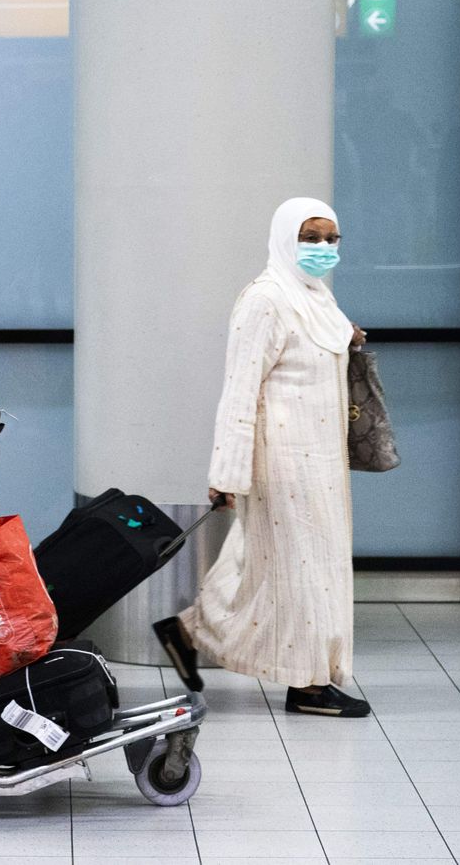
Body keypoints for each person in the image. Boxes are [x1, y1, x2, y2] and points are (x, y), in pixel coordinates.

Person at [154, 197, 371, 718]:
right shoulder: (266, 299)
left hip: (321, 461)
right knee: (304, 571)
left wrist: (350, 339)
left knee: (265, 562)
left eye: (330, 239)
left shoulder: (314, 296)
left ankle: (187, 633)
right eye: (309, 238)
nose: (321, 248)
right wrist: (226, 473)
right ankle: (309, 686)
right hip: (283, 462)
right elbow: (240, 388)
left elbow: (321, 342)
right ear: (283, 238)